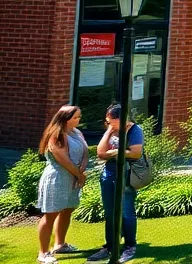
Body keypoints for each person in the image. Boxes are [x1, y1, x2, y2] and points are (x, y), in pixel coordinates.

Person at [87, 105, 143, 263]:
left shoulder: (134, 131)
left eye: (110, 120)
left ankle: (130, 245)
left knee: (126, 211)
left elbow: (136, 152)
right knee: (110, 211)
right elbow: (100, 152)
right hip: (109, 174)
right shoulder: (111, 130)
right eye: (107, 121)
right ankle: (110, 245)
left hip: (126, 175)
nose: (108, 123)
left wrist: (114, 152)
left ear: (121, 118)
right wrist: (109, 132)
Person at [35, 105, 88, 264]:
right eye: (75, 118)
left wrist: (82, 169)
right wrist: (79, 175)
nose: (78, 120)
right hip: (57, 177)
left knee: (67, 210)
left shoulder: (76, 133)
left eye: (79, 117)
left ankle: (60, 244)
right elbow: (63, 159)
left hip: (74, 176)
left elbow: (85, 152)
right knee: (51, 214)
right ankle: (43, 253)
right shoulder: (56, 135)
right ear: (65, 119)